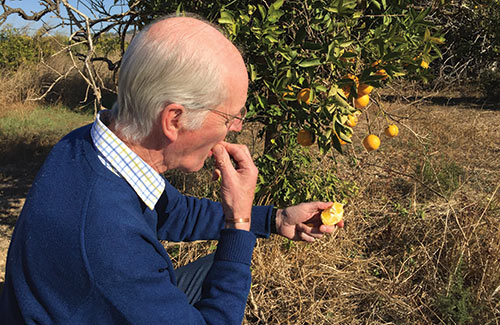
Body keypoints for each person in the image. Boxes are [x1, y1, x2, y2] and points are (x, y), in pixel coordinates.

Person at [0, 14, 343, 324]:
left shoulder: (86, 146)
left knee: (219, 263)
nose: (237, 127)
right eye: (230, 117)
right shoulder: (112, 251)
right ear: (174, 119)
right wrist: (237, 225)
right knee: (231, 259)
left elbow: (173, 210)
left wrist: (274, 219)